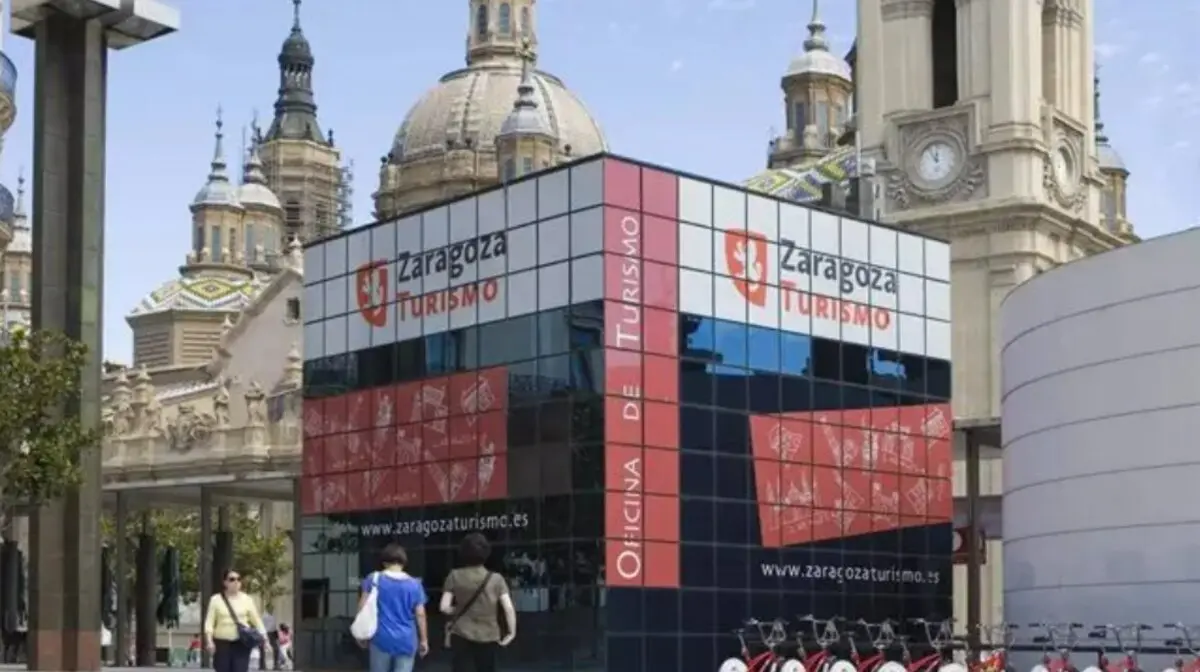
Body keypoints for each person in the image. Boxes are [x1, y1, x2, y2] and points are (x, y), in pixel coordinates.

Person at [439, 533, 517, 672]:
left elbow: (444, 607)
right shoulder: (496, 579)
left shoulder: (454, 575)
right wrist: (511, 633)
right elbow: (508, 608)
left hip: (461, 633)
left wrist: (458, 609)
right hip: (488, 635)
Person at [358, 543, 428, 672]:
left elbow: (362, 607)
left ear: (384, 562)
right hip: (406, 639)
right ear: (403, 562)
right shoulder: (415, 584)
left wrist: (362, 634)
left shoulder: (373, 579)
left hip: (380, 637)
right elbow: (420, 614)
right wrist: (424, 640)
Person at [204, 569, 268, 672]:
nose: (236, 582)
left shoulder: (247, 599)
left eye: (238, 579)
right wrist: (209, 641)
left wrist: (265, 638)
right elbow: (209, 622)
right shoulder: (216, 600)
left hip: (241, 643)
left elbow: (256, 620)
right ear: (225, 582)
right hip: (222, 644)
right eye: (232, 579)